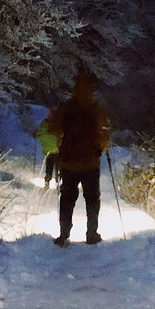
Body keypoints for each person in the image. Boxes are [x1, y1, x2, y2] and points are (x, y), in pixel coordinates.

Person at [43, 70, 111, 246]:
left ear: (75, 88)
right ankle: (91, 234)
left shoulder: (67, 107)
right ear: (91, 89)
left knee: (67, 199)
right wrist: (101, 149)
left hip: (69, 163)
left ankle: (64, 234)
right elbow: (105, 133)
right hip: (90, 163)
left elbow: (54, 129)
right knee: (92, 199)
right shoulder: (96, 109)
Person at [35, 118, 60, 189]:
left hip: (49, 152)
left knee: (49, 167)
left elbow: (41, 136)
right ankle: (58, 181)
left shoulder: (44, 126)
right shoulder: (57, 125)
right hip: (58, 151)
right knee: (59, 167)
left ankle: (47, 182)